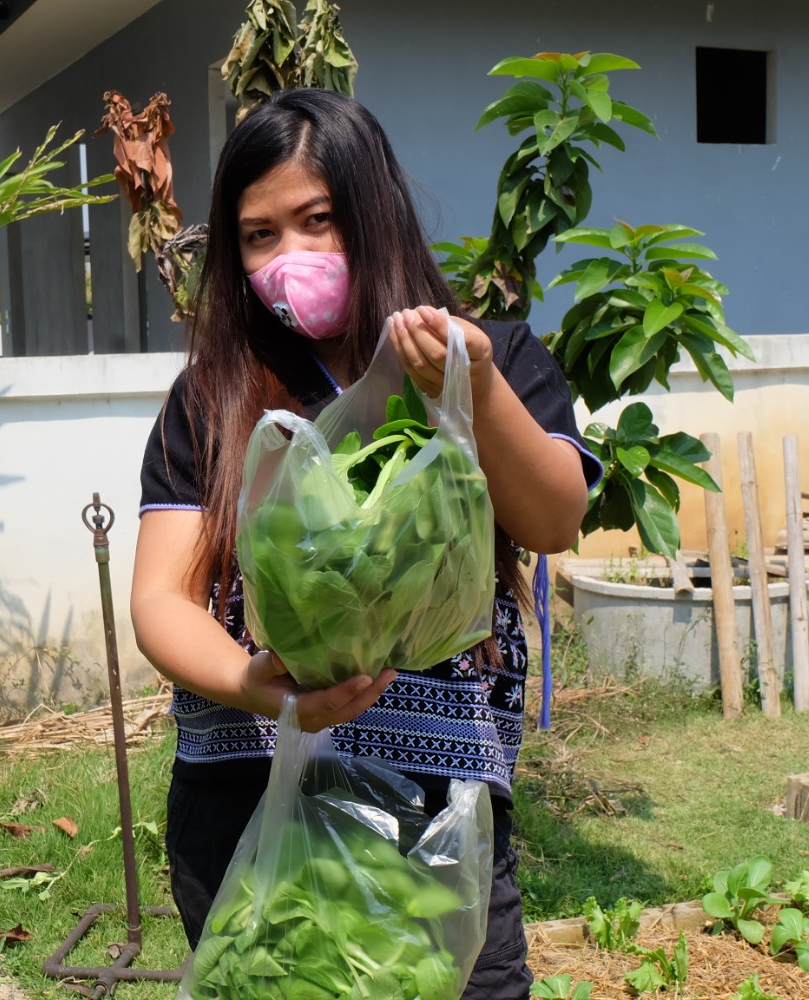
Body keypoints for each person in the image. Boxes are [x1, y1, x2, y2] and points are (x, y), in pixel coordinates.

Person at [131, 88, 602, 998]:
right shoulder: (212, 397)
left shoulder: (491, 356)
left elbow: (553, 520)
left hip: (435, 815)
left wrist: (470, 385)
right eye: (259, 235)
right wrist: (248, 684)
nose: (287, 257)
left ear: (375, 216)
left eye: (318, 222)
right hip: (247, 804)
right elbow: (161, 599)